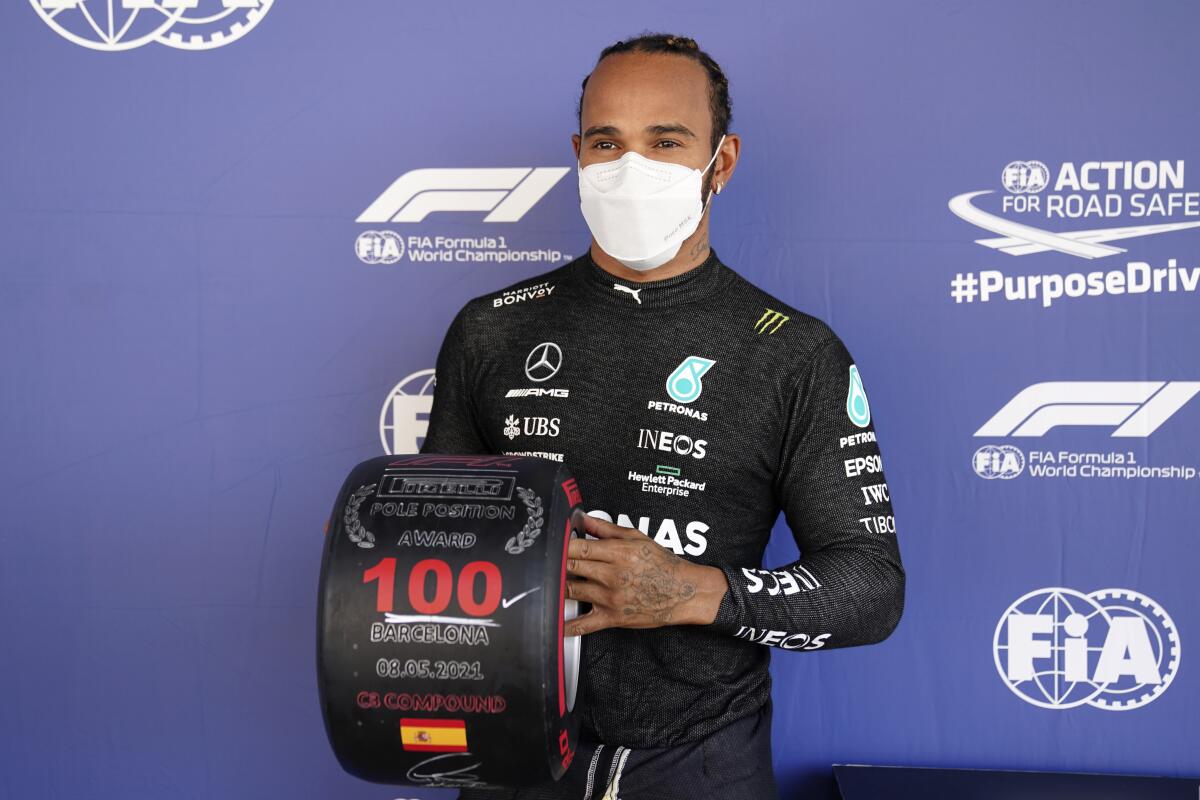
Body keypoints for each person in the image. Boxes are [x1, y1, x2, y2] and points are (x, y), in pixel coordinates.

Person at [419, 31, 905, 800]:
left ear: (724, 162)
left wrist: (689, 591)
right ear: (578, 153)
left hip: (701, 761)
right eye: (607, 142)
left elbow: (871, 588)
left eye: (666, 141)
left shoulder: (794, 353)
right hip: (512, 754)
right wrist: (384, 543)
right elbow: (437, 543)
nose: (629, 168)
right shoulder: (493, 328)